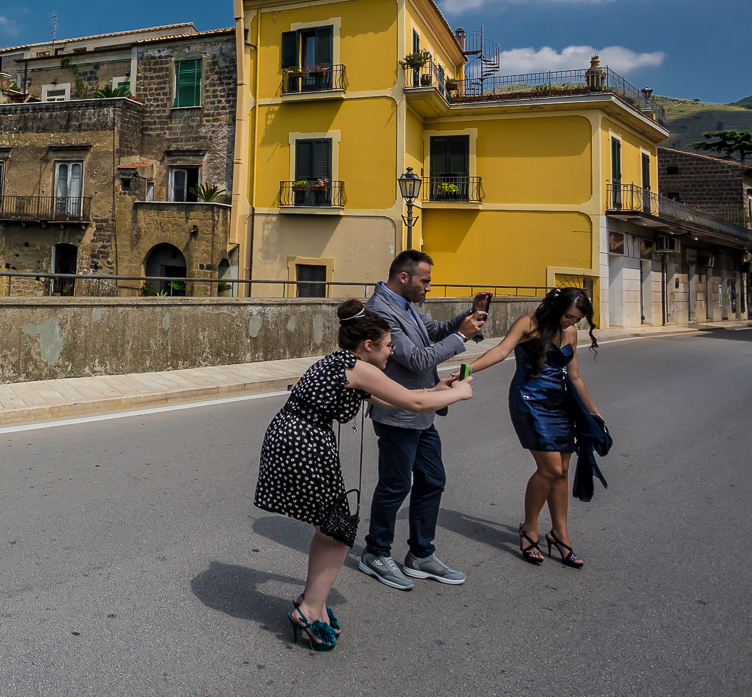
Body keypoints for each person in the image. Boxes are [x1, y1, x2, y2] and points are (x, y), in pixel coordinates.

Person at [255, 298, 475, 651]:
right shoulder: (358, 367)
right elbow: (413, 405)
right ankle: (310, 608)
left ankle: (313, 602)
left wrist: (439, 390)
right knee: (338, 532)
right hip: (304, 442)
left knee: (329, 528)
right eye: (389, 346)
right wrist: (460, 394)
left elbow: (395, 399)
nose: (392, 352)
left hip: (292, 436)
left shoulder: (344, 363)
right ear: (369, 345)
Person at [359, 251, 491, 591]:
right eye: (425, 281)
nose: (428, 288)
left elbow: (432, 331)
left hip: (422, 411)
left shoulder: (404, 303)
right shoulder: (379, 310)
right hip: (397, 412)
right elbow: (416, 359)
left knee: (432, 480)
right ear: (404, 277)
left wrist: (468, 316)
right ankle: (376, 553)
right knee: (396, 485)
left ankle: (420, 554)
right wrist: (461, 338)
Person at [457, 286, 600, 567]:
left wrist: (594, 412)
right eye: (569, 316)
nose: (570, 323)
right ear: (557, 307)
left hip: (560, 403)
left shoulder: (569, 333)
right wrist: (467, 369)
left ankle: (560, 534)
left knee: (563, 471)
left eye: (576, 320)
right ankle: (530, 529)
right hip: (529, 400)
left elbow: (575, 376)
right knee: (551, 468)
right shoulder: (528, 323)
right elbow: (500, 351)